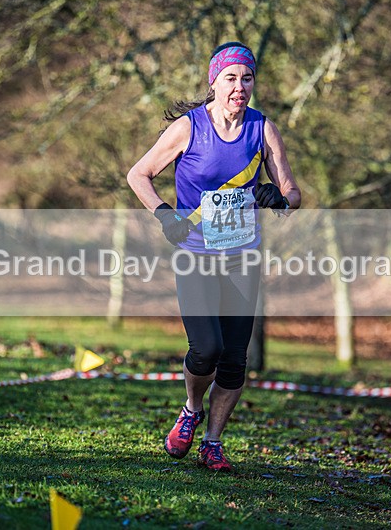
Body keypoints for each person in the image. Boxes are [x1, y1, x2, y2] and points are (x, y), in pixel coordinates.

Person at [127, 41, 301, 471]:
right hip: (196, 254)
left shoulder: (262, 129)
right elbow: (139, 174)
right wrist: (165, 215)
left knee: (235, 358)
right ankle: (190, 409)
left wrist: (275, 197)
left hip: (243, 257)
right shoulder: (189, 128)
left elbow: (293, 194)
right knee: (205, 348)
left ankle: (213, 442)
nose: (239, 87)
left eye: (247, 79)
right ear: (213, 82)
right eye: (231, 79)